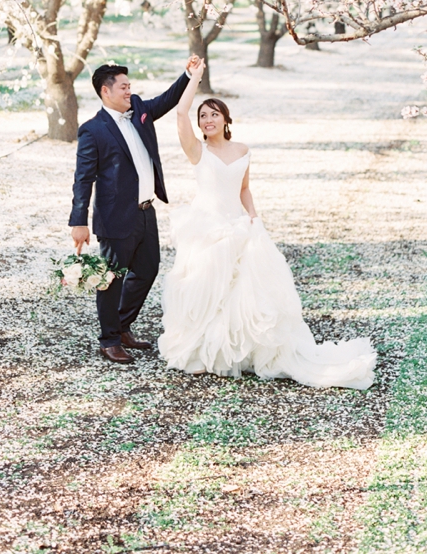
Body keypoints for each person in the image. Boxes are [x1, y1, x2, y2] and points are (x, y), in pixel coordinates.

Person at [158, 58, 377, 389]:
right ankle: (203, 353)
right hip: (206, 229)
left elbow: (244, 189)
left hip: (238, 225)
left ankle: (237, 353)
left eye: (214, 114)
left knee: (245, 292)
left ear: (226, 120)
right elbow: (179, 113)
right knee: (207, 291)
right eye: (203, 116)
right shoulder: (196, 151)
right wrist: (194, 78)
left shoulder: (242, 150)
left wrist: (254, 219)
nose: (207, 119)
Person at [69, 58, 200, 364]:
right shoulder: (93, 130)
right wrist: (79, 221)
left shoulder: (139, 110)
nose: (130, 91)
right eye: (124, 86)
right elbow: (83, 178)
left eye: (130, 86)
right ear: (106, 91)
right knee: (111, 278)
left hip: (146, 211)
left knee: (147, 270)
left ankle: (122, 325)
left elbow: (167, 101)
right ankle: (109, 340)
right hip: (115, 216)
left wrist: (187, 75)